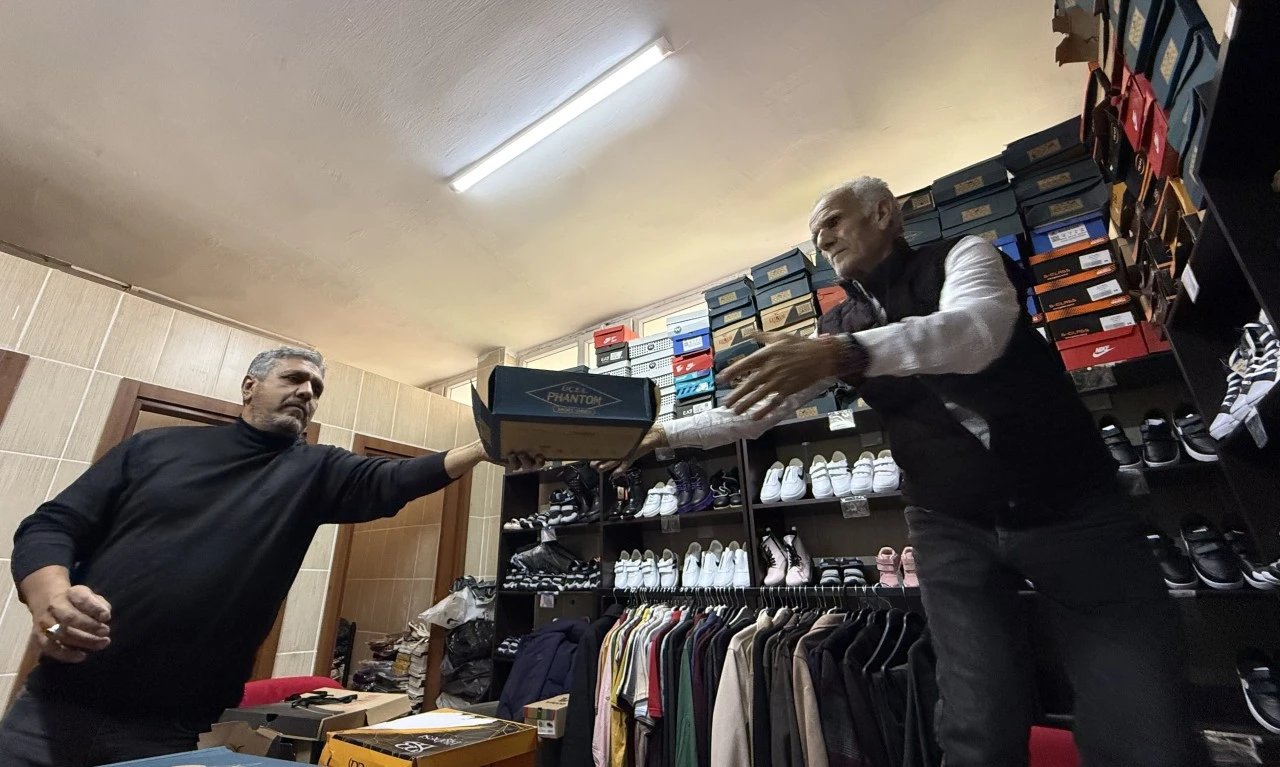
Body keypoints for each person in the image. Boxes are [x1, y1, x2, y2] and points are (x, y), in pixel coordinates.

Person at [601, 178, 1208, 766]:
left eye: (832, 222)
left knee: (1139, 712)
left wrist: (847, 354)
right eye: (815, 236)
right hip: (949, 524)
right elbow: (752, 415)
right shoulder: (837, 326)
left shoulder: (962, 255)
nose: (823, 241)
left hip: (1073, 503)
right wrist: (664, 433)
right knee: (974, 718)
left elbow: (978, 330)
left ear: (884, 212)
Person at [0, 346, 540, 767]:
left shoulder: (316, 470)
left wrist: (483, 448)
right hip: (51, 707)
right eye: (294, 378)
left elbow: (394, 478)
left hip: (166, 729)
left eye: (316, 388)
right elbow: (52, 524)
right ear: (250, 386)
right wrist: (50, 596)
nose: (307, 392)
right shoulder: (155, 448)